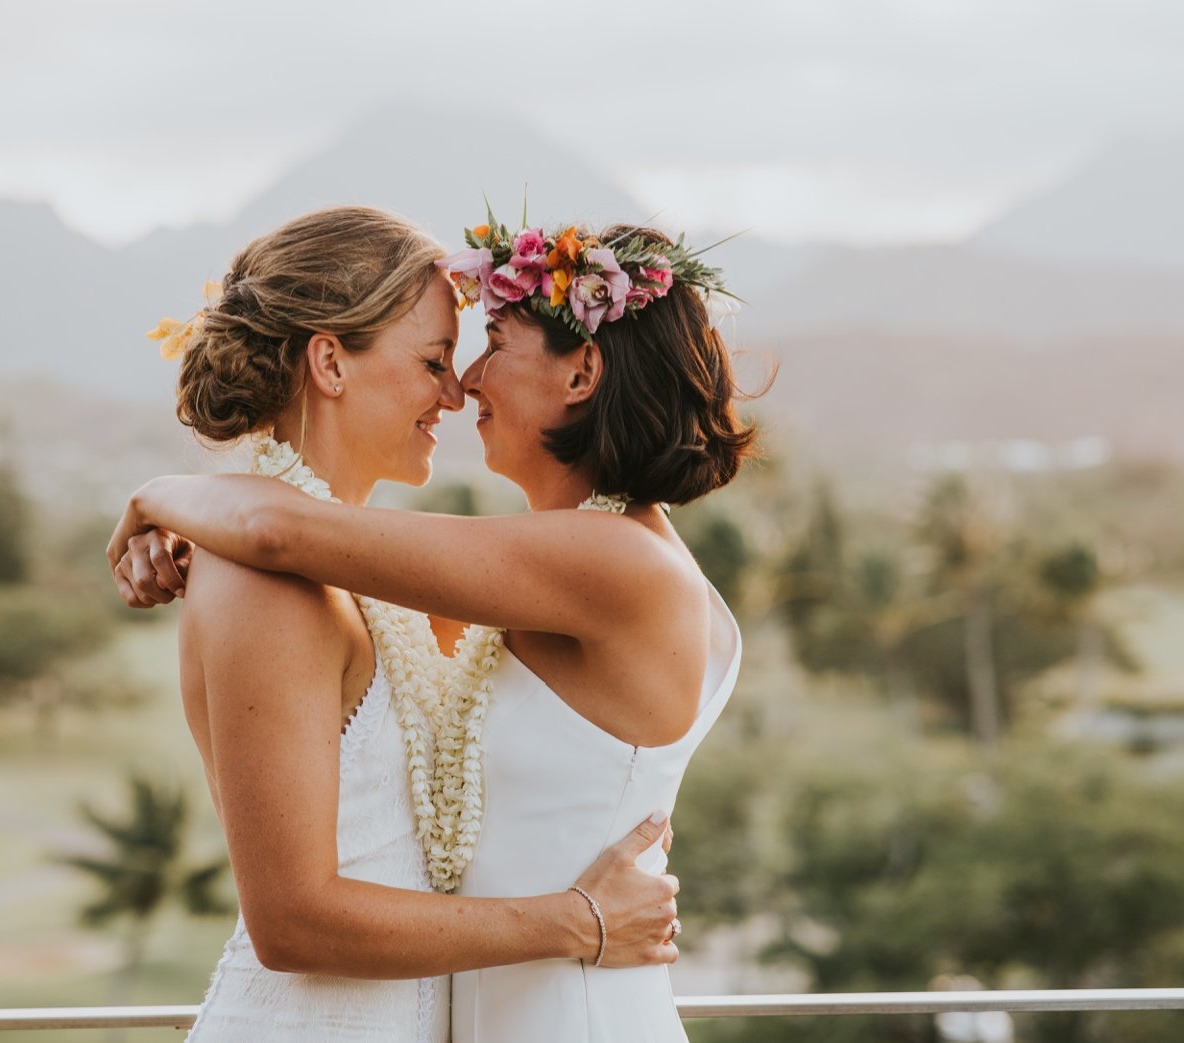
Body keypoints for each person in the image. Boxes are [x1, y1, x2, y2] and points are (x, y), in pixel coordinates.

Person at [111, 213, 755, 1042]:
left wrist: (161, 495)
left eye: (486, 346)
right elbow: (291, 546)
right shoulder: (505, 578)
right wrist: (208, 524)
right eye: (438, 358)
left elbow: (285, 533)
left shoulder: (613, 563)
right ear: (330, 361)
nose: (463, 385)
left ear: (583, 369)